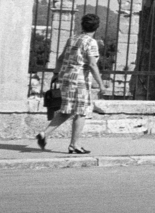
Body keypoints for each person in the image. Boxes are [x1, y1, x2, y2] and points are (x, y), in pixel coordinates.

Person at [34, 13, 105, 155]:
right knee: (81, 112)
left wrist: (55, 74)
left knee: (67, 110)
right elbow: (92, 64)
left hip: (66, 79)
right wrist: (101, 84)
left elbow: (60, 58)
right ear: (96, 27)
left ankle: (44, 134)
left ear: (82, 25)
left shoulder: (72, 39)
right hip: (80, 81)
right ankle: (75, 145)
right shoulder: (91, 42)